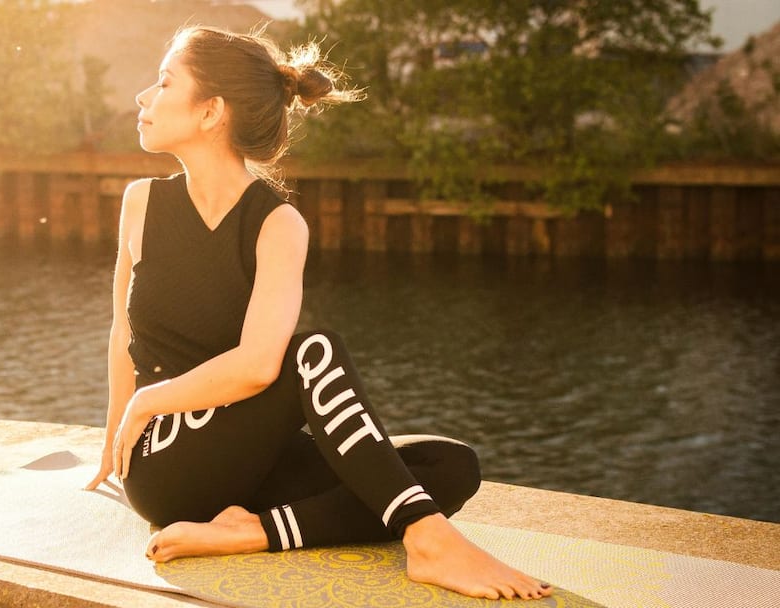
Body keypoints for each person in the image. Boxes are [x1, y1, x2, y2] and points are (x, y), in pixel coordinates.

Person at [84, 25, 553, 601]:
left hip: (246, 460)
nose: (144, 98)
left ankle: (251, 532)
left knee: (450, 467)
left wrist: (144, 400)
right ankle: (428, 542)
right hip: (167, 462)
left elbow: (255, 368)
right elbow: (122, 332)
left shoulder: (277, 225)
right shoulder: (142, 203)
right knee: (315, 351)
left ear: (211, 113)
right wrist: (117, 439)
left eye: (163, 83)